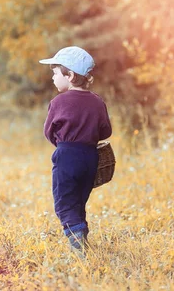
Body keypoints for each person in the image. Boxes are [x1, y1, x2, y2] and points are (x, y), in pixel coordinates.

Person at [39, 46, 113, 255]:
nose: (53, 78)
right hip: (90, 157)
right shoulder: (98, 101)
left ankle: (76, 239)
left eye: (55, 73)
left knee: (64, 200)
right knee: (79, 198)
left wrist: (64, 143)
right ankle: (82, 234)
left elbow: (49, 132)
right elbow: (106, 130)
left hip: (67, 156)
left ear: (69, 75)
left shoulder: (58, 102)